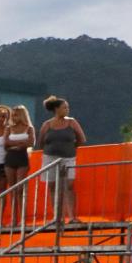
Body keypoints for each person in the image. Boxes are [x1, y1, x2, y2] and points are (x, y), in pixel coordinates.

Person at [38, 96, 87, 225]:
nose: (67, 110)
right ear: (56, 109)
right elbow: (40, 142)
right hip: (50, 158)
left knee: (69, 185)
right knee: (52, 186)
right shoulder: (47, 125)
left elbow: (81, 139)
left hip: (68, 158)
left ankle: (72, 217)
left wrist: (70, 147)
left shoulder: (72, 122)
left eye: (67, 107)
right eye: (64, 107)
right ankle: (56, 217)